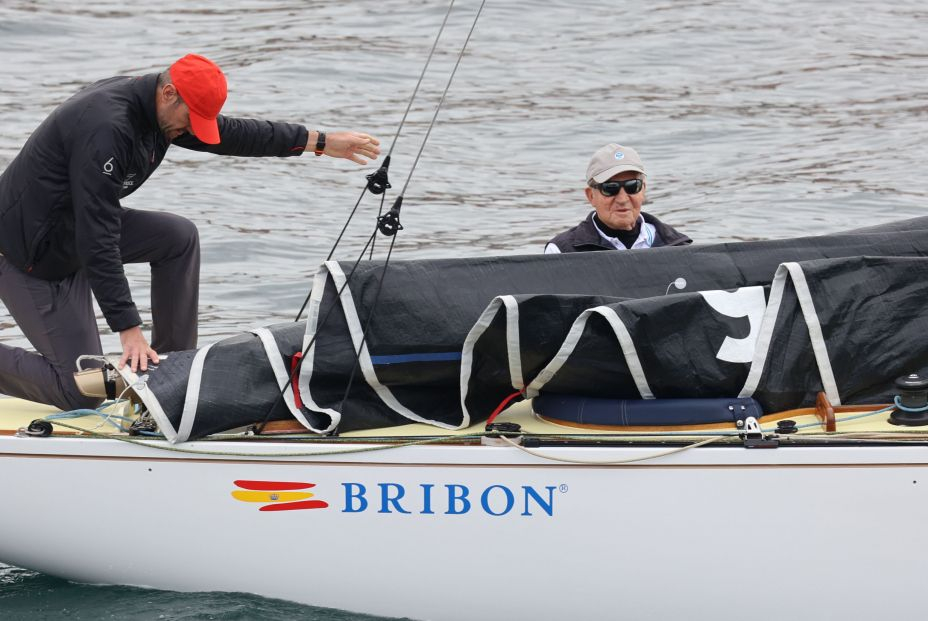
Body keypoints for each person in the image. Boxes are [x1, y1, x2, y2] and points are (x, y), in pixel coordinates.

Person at [0, 53, 380, 410]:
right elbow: (97, 235)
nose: (190, 131)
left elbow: (234, 135)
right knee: (81, 392)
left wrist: (321, 142)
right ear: (168, 94)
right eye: (190, 119)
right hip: (29, 254)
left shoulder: (159, 109)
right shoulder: (107, 127)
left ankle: (171, 375)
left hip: (73, 234)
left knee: (177, 238)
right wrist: (129, 328)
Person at [545, 143, 691, 253]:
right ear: (591, 196)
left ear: (643, 190)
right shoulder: (560, 251)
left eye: (632, 186)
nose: (622, 199)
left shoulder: (677, 245)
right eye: (610, 188)